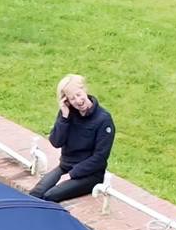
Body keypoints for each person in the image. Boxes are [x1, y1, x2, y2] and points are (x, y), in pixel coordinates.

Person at [30, 74, 114, 204]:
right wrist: (64, 117)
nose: (78, 101)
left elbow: (100, 158)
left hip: (90, 175)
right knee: (35, 194)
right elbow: (56, 142)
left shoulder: (103, 119)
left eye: (79, 94)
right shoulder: (67, 113)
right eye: (72, 98)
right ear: (66, 100)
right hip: (65, 167)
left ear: (85, 90)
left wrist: (72, 175)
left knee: (50, 196)